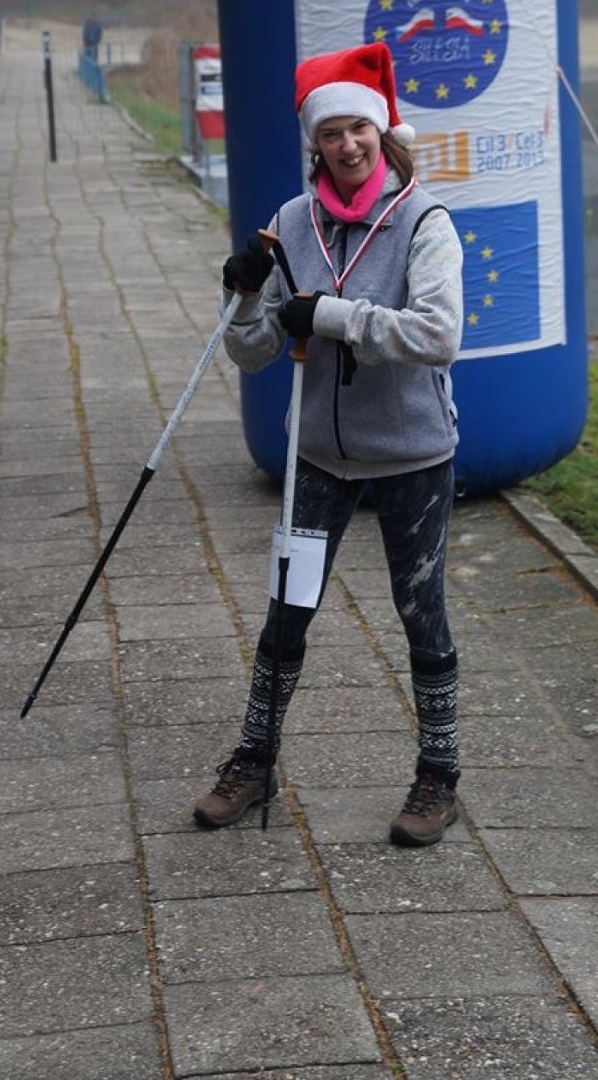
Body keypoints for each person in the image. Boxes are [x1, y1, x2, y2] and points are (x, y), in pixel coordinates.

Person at [194, 42, 464, 848]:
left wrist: (335, 317)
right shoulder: (289, 222)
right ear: (315, 142)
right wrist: (245, 297)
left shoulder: (424, 220)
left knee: (423, 617)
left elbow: (439, 334)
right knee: (288, 611)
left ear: (381, 131)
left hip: (413, 451)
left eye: (359, 129)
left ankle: (439, 775)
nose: (347, 145)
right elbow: (253, 353)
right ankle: (253, 758)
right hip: (316, 454)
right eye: (332, 133)